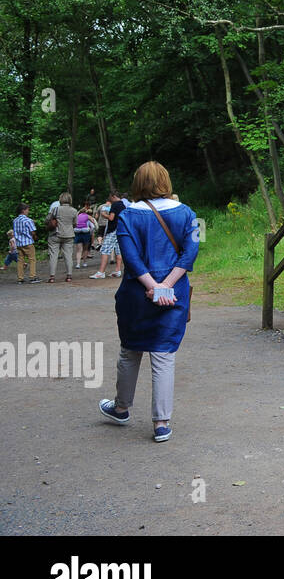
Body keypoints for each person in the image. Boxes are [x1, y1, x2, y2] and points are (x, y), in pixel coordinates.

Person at [99, 162, 199, 443]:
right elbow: (191, 252)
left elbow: (130, 258)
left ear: (138, 183)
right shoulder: (186, 213)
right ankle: (161, 424)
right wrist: (166, 287)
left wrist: (152, 287)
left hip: (135, 294)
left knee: (130, 351)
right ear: (166, 181)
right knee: (164, 355)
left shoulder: (128, 216)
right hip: (173, 294)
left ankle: (121, 408)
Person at [90, 190, 125, 279]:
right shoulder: (122, 205)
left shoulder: (115, 205)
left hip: (112, 230)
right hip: (120, 229)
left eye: (110, 197)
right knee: (118, 250)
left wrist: (104, 214)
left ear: (113, 196)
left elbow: (111, 218)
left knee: (105, 250)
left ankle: (101, 272)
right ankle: (118, 270)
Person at [47, 192, 77, 282]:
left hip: (55, 234)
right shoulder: (74, 211)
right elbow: (75, 224)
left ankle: (52, 277)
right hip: (69, 235)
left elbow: (47, 219)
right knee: (68, 256)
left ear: (60, 199)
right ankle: (69, 276)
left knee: (53, 255)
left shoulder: (55, 209)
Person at [12, 205, 38, 284]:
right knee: (32, 259)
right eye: (27, 210)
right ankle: (32, 277)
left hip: (19, 243)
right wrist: (35, 237)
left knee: (20, 261)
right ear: (23, 210)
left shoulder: (15, 220)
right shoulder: (28, 220)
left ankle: (20, 278)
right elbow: (32, 231)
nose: (28, 211)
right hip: (28, 242)